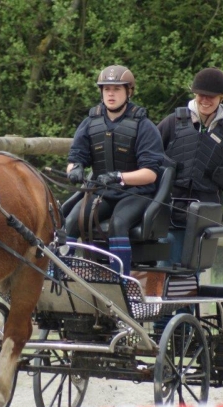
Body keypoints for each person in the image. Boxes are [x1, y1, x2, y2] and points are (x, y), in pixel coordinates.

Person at [65, 65, 165, 275]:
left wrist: (120, 177)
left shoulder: (144, 126)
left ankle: (121, 280)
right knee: (72, 220)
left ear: (129, 91)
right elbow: (76, 158)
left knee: (118, 223)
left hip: (136, 193)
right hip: (102, 192)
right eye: (106, 88)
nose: (111, 93)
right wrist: (75, 170)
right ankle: (61, 274)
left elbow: (150, 173)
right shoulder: (90, 122)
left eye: (117, 89)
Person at [157, 67, 223, 265]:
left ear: (222, 97)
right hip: (169, 210)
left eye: (211, 97)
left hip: (204, 215)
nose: (205, 101)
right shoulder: (172, 122)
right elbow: (149, 159)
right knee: (164, 268)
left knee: (192, 274)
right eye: (201, 95)